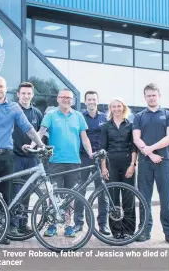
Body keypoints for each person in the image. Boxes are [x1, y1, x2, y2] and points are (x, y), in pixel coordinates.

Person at [0, 76, 45, 244]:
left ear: (6, 89)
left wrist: (41, 145)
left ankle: (1, 232)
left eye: (1, 86)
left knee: (6, 195)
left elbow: (28, 128)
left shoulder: (14, 107)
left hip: (6, 156)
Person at [25, 88, 93, 238]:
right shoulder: (50, 115)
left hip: (74, 161)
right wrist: (32, 145)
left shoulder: (79, 116)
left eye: (69, 98)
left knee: (70, 196)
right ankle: (52, 225)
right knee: (53, 194)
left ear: (73, 100)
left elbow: (84, 138)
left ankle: (68, 225)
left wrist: (90, 153)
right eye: (63, 97)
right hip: (55, 161)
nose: (66, 100)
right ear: (58, 99)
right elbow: (41, 132)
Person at [133, 83, 169, 244]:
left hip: (164, 162)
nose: (151, 97)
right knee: (144, 198)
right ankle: (144, 231)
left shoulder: (168, 115)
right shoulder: (139, 116)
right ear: (145, 97)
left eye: (154, 95)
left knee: (166, 198)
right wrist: (150, 154)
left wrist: (151, 150)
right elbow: (136, 139)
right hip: (145, 163)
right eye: (148, 95)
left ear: (159, 95)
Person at [73, 91, 110, 235]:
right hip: (84, 157)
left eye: (94, 99)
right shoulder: (79, 116)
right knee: (80, 190)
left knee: (102, 192)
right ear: (85, 101)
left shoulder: (105, 117)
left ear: (98, 100)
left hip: (101, 158)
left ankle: (102, 225)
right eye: (89, 99)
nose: (91, 102)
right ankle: (78, 223)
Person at [100, 98, 137, 239]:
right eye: (113, 106)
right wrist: (104, 168)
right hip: (111, 163)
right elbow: (103, 148)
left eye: (119, 106)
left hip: (127, 162)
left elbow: (134, 147)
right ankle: (116, 231)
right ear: (110, 108)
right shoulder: (105, 126)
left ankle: (128, 230)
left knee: (129, 197)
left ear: (123, 108)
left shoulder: (131, 125)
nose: (116, 109)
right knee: (113, 197)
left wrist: (132, 165)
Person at [11, 82, 43, 235]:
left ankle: (23, 224)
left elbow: (40, 133)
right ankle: (13, 225)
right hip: (15, 157)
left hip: (32, 158)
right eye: (23, 93)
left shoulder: (36, 113)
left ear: (33, 95)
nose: (26, 96)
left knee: (29, 191)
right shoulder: (11, 109)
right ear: (18, 94)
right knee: (15, 191)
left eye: (29, 93)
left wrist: (35, 146)